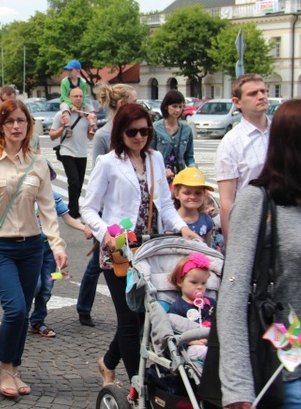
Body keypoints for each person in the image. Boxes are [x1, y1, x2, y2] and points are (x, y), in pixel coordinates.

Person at [218, 98, 301, 409]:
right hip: (285, 371)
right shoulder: (259, 200)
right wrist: (237, 387)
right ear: (299, 139)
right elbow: (233, 294)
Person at [80, 102, 199, 385]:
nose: (139, 137)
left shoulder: (155, 159)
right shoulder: (108, 162)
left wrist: (184, 229)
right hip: (118, 252)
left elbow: (166, 206)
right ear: (121, 131)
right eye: (132, 131)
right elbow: (88, 208)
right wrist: (104, 233)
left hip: (149, 248)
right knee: (128, 318)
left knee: (144, 315)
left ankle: (108, 363)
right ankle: (138, 384)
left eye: (144, 131)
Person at [0, 99, 68, 398]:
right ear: (0, 126)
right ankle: (4, 367)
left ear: (29, 124)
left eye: (21, 120)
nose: (16, 126)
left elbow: (48, 209)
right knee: (15, 308)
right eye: (10, 121)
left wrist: (57, 246)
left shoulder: (37, 161)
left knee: (24, 314)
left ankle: (14, 368)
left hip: (32, 246)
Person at [79, 83, 137, 327]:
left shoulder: (135, 132)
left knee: (125, 258)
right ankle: (84, 306)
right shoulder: (104, 135)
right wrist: (96, 220)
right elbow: (98, 177)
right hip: (107, 212)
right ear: (123, 105)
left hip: (128, 211)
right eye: (134, 101)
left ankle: (129, 308)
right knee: (100, 262)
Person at [29, 163, 91, 338]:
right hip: (29, 249)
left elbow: (68, 219)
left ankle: (38, 321)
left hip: (50, 250)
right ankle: (18, 317)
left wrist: (84, 227)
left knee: (47, 286)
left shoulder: (53, 197)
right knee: (35, 285)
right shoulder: (25, 196)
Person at [215, 74, 269, 243]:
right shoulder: (231, 143)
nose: (261, 96)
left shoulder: (282, 132)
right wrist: (232, 246)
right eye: (253, 93)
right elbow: (227, 202)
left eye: (263, 91)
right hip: (251, 226)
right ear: (237, 102)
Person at [49, 87, 95, 219]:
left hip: (82, 153)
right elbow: (52, 135)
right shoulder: (62, 115)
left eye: (81, 96)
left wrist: (93, 127)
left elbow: (90, 137)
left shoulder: (86, 115)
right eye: (75, 96)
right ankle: (72, 210)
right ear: (69, 98)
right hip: (67, 151)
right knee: (73, 181)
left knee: (79, 183)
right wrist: (63, 127)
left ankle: (74, 208)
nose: (78, 99)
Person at [168, 253, 214, 366]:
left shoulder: (211, 303)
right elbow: (173, 334)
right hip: (191, 347)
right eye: (194, 282)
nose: (200, 287)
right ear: (180, 282)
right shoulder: (178, 307)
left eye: (203, 283)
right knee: (209, 354)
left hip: (212, 342)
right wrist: (192, 341)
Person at [152, 90, 195, 183]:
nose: (178, 110)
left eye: (180, 107)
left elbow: (189, 156)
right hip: (160, 176)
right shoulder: (155, 128)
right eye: (174, 106)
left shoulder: (186, 129)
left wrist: (194, 171)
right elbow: (149, 154)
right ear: (166, 106)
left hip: (180, 177)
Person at [172, 168, 214, 246]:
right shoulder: (171, 221)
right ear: (176, 194)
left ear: (204, 194)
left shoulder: (207, 220)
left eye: (198, 193)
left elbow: (208, 249)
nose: (193, 196)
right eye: (187, 193)